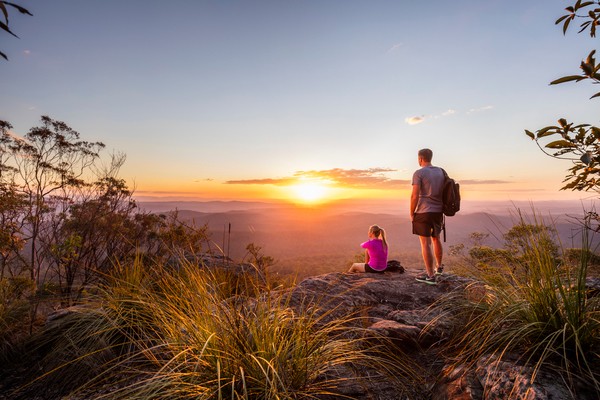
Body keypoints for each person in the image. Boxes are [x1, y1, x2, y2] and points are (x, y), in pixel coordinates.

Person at [410, 148, 444, 284]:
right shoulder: (441, 171)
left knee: (425, 243)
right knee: (436, 239)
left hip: (424, 211)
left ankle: (430, 275)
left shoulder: (419, 173)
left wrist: (412, 212)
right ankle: (439, 267)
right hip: (438, 211)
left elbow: (414, 195)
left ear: (420, 159)